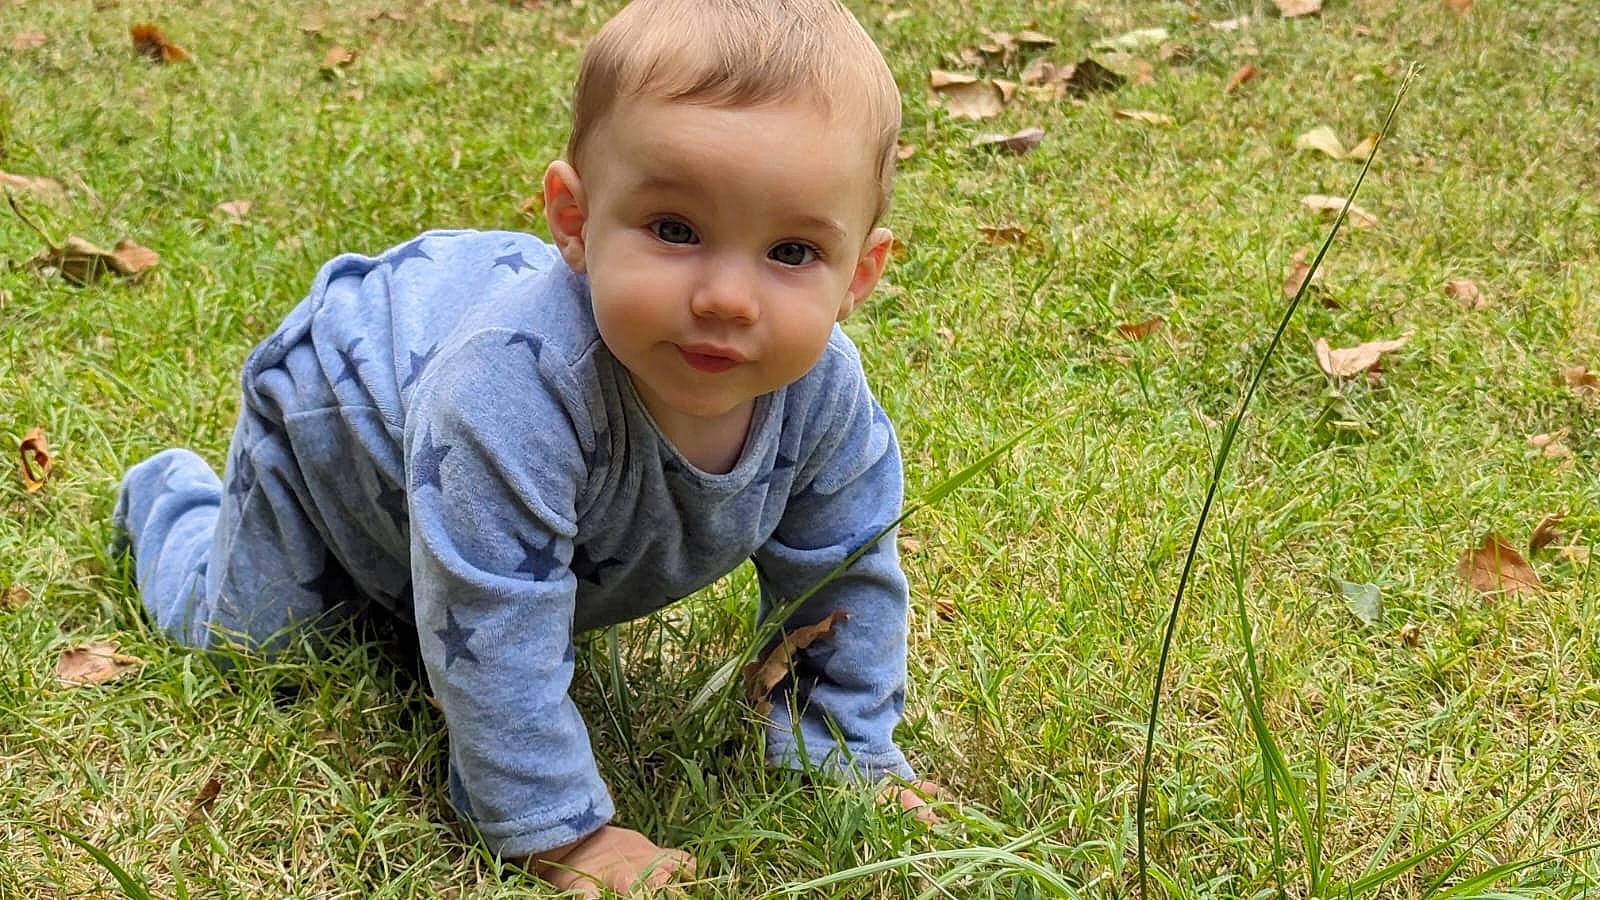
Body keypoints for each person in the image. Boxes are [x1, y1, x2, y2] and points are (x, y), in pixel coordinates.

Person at [112, 0, 938, 893]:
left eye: (790, 250)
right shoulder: (513, 396)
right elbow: (497, 614)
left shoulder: (825, 399)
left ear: (858, 273)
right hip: (339, 423)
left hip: (462, 492)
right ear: (575, 221)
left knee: (443, 606)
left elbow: (843, 574)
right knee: (254, 641)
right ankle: (168, 502)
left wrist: (846, 751)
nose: (728, 298)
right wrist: (561, 833)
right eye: (674, 230)